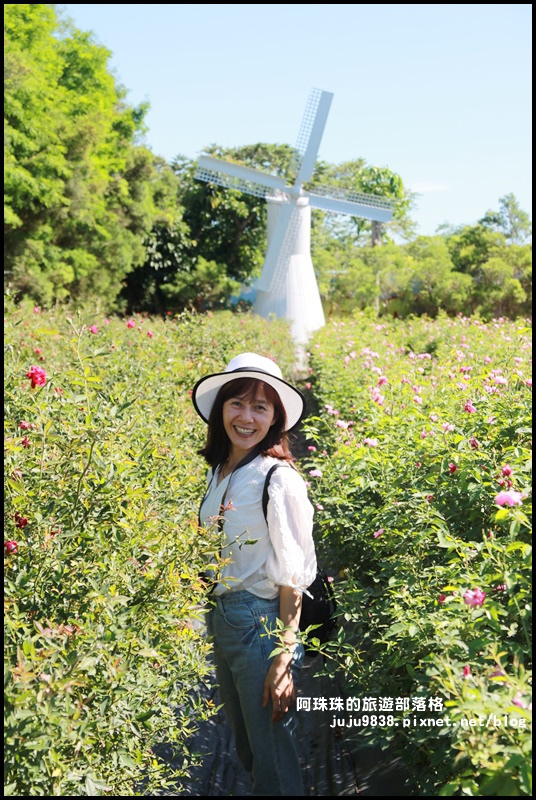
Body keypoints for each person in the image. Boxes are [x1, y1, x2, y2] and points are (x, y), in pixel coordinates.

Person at [192, 352, 317, 796]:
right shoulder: (220, 469)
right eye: (237, 403)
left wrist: (283, 659)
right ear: (221, 408)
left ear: (275, 418)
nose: (246, 417)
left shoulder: (277, 479)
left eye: (260, 407)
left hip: (260, 626)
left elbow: (293, 575)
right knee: (249, 748)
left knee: (272, 760)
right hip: (223, 618)